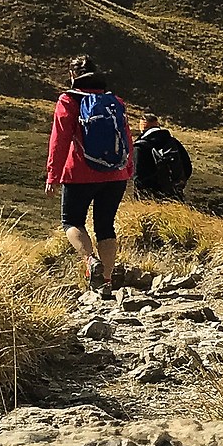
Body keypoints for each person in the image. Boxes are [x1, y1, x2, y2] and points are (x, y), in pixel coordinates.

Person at [46, 56, 134, 289]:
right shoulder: (114, 100)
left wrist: (53, 175)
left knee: (71, 221)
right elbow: (126, 136)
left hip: (79, 173)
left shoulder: (68, 100)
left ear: (73, 76)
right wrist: (128, 168)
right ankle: (105, 281)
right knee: (106, 225)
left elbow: (60, 140)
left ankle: (90, 260)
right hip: (115, 175)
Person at [132, 115, 192, 201]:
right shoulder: (173, 142)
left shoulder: (139, 147)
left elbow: (138, 177)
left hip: (150, 199)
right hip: (174, 194)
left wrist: (140, 198)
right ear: (157, 124)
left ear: (142, 127)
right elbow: (187, 166)